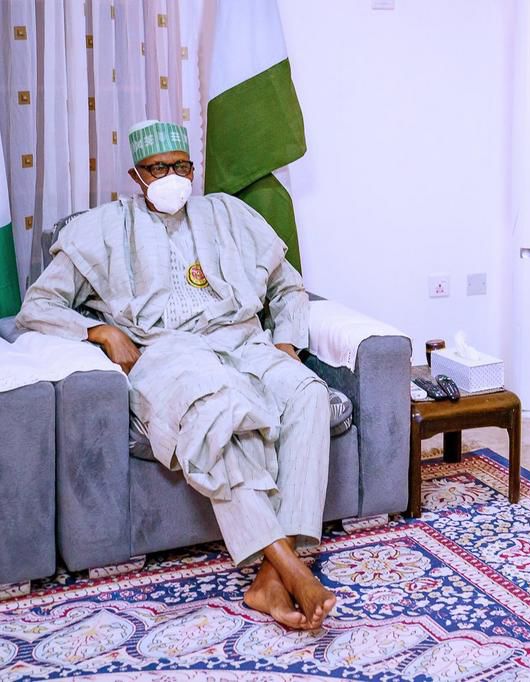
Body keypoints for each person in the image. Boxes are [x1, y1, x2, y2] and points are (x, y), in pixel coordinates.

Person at [17, 120, 336, 631]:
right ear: (136, 176)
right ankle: (292, 567)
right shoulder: (103, 228)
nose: (172, 177)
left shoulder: (229, 214)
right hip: (167, 352)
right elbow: (38, 306)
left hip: (244, 340)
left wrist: (285, 343)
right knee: (215, 411)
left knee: (308, 393)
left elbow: (288, 287)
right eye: (158, 168)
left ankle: (270, 577)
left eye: (181, 166)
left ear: (193, 168)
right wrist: (100, 331)